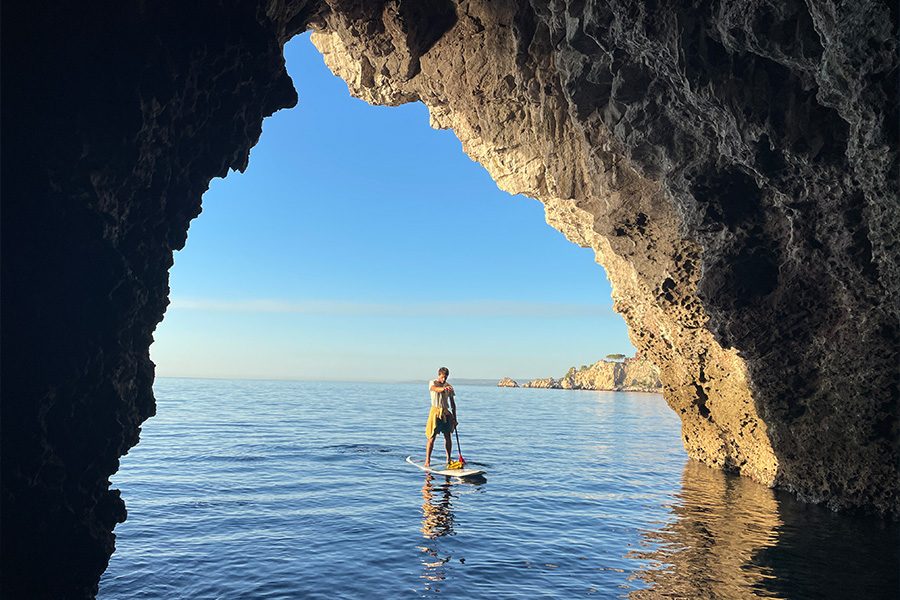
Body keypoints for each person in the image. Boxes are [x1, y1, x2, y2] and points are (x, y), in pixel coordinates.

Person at [424, 367, 457, 467]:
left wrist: (454, 418)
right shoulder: (432, 383)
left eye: (445, 377)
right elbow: (434, 389)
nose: (444, 379)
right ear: (439, 375)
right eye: (442, 377)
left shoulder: (449, 386)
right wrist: (443, 389)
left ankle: (448, 459)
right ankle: (427, 460)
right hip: (435, 412)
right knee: (431, 437)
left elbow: (452, 404)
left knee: (448, 436)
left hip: (446, 413)